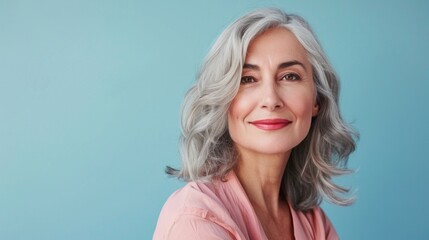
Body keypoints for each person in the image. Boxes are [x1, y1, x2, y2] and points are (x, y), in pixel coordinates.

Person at [153, 8, 357, 240]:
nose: (271, 100)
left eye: (290, 76)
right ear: (223, 100)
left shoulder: (313, 222)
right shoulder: (195, 218)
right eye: (247, 79)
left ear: (316, 100)